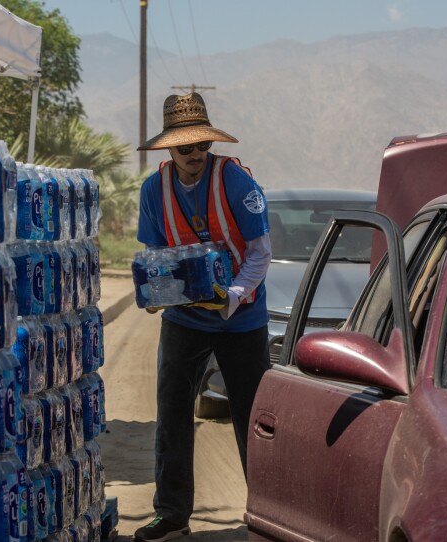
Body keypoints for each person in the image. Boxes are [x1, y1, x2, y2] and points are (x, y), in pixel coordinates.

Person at [133, 92, 272, 542]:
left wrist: (232, 295)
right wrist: (157, 290)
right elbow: (155, 254)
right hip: (185, 320)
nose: (195, 155)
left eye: (202, 146)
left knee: (253, 418)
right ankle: (171, 514)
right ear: (169, 149)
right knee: (172, 411)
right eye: (185, 148)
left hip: (242, 318)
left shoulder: (237, 183)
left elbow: (260, 253)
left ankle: (268, 513)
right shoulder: (153, 190)